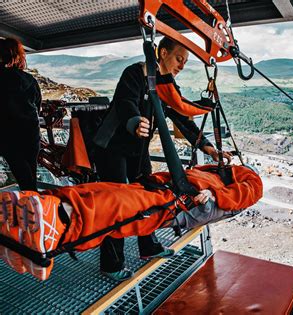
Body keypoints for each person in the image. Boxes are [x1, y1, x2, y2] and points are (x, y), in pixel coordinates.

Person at [94, 37, 232, 281]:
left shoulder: (167, 86)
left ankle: (147, 246)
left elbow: (182, 118)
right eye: (179, 59)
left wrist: (210, 149)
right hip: (113, 148)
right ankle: (111, 263)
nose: (181, 65)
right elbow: (125, 102)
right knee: (116, 204)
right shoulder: (135, 73)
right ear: (163, 52)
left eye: (185, 62)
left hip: (138, 151)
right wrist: (135, 122)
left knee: (149, 197)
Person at [0, 164, 263, 281]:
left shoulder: (247, 178)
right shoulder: (219, 172)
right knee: (107, 193)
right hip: (166, 192)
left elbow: (252, 191)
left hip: (175, 201)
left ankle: (56, 220)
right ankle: (36, 212)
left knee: (117, 208)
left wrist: (216, 194)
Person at [0, 38, 42, 191]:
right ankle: (35, 207)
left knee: (24, 176)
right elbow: (38, 106)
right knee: (29, 176)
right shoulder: (29, 80)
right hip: (30, 133)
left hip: (6, 134)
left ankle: (31, 206)